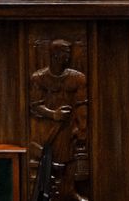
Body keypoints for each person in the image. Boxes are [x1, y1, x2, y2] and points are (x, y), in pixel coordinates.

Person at [30, 39, 89, 201]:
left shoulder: (78, 78)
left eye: (69, 54)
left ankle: (69, 191)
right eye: (65, 54)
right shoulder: (39, 78)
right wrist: (53, 114)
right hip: (46, 128)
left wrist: (81, 128)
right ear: (55, 55)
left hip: (69, 126)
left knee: (70, 159)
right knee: (48, 159)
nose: (68, 58)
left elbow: (82, 106)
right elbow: (35, 105)